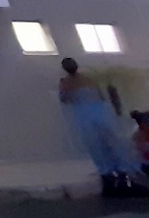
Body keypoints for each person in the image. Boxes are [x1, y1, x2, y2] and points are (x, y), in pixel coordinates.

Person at [58, 58, 141, 196]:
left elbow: (65, 99)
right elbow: (102, 94)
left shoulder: (69, 83)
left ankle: (113, 180)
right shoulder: (85, 80)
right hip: (97, 114)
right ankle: (119, 179)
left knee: (102, 146)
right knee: (107, 144)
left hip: (88, 116)